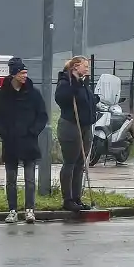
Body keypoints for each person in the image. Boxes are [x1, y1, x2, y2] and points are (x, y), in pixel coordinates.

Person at [0, 57, 48, 224]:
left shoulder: (33, 94)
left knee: (30, 179)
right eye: (22, 73)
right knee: (11, 179)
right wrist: (5, 133)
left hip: (29, 142)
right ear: (13, 74)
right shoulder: (0, 95)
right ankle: (12, 211)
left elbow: (42, 116)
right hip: (11, 142)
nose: (25, 76)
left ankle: (30, 210)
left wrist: (33, 132)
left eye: (25, 72)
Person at [55, 56, 97, 212]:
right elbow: (61, 98)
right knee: (70, 162)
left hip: (85, 126)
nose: (87, 69)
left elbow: (87, 102)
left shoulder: (83, 83)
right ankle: (68, 199)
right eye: (85, 66)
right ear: (75, 67)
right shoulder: (65, 82)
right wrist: (73, 86)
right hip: (71, 126)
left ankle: (77, 198)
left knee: (80, 163)